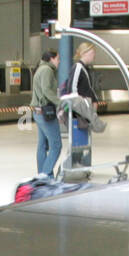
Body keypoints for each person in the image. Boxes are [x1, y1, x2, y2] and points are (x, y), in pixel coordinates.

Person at [65, 41, 99, 170]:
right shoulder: (78, 67)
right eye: (92, 53)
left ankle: (79, 164)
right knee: (77, 138)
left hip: (85, 110)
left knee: (83, 139)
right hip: (79, 111)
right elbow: (72, 89)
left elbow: (89, 89)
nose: (94, 56)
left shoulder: (85, 68)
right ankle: (73, 164)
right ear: (85, 53)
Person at [30, 49, 62, 176]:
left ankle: (43, 176)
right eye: (58, 59)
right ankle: (45, 175)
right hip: (45, 112)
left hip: (37, 112)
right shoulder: (47, 70)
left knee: (42, 144)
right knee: (56, 145)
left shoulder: (41, 69)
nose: (59, 61)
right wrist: (59, 102)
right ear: (52, 59)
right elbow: (46, 90)